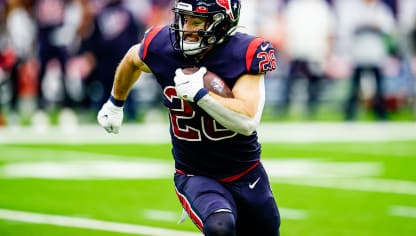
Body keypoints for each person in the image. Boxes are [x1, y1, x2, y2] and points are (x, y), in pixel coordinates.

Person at [97, 0, 281, 235]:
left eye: (197, 21)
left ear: (223, 23)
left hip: (246, 172)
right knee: (220, 227)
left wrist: (202, 96)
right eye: (184, 19)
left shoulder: (243, 52)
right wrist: (115, 103)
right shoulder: (163, 45)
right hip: (195, 173)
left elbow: (247, 121)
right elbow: (133, 59)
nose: (187, 28)